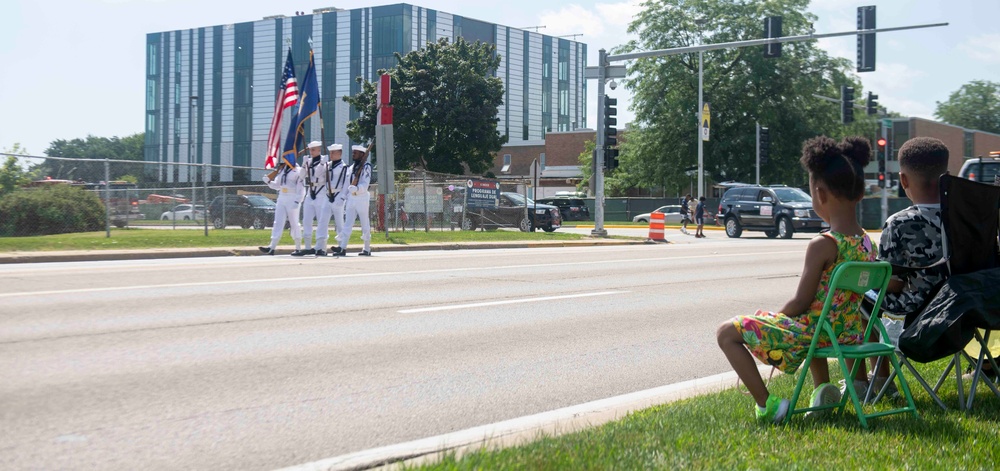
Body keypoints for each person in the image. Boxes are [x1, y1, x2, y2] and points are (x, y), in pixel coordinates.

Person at [716, 135, 876, 424]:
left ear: (820, 194)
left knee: (726, 333)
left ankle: (768, 406)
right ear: (862, 193)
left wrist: (774, 317)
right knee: (819, 314)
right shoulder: (867, 244)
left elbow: (801, 301)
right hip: (847, 332)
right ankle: (822, 390)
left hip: (815, 332)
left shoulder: (824, 244)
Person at [862, 137, 951, 394]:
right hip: (964, 314)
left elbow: (891, 282)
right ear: (947, 177)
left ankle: (879, 379)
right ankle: (987, 368)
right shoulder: (968, 217)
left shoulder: (899, 223)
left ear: (903, 180)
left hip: (918, 315)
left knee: (858, 297)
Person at [258, 159, 305, 256]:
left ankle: (298, 247)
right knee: (278, 222)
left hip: (293, 197)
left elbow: (301, 187)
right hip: (282, 197)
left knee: (294, 223)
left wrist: (298, 200)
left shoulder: (299, 170)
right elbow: (277, 185)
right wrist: (268, 182)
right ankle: (272, 247)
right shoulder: (283, 170)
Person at [335, 144, 373, 256]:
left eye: (355, 153)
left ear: (362, 154)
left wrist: (357, 188)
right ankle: (342, 247)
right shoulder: (351, 168)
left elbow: (365, 183)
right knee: (348, 223)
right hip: (351, 198)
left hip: (361, 198)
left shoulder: (366, 167)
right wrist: (342, 196)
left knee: (364, 223)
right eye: (353, 152)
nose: (353, 154)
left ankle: (367, 248)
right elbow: (347, 183)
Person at [293, 141, 329, 257]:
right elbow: (302, 176)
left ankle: (322, 247)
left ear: (319, 150)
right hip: (310, 190)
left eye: (314, 150)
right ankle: (308, 247)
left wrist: (322, 164)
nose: (311, 152)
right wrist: (304, 165)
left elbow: (319, 174)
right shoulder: (308, 161)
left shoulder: (325, 161)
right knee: (306, 220)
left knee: (321, 221)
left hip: (321, 191)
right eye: (310, 150)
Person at [326, 144, 350, 256]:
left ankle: (341, 246)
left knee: (340, 223)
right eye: (330, 152)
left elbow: (346, 184)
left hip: (338, 195)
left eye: (333, 152)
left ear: (339, 153)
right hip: (328, 195)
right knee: (323, 221)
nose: (331, 155)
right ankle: (320, 246)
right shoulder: (328, 165)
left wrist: (342, 197)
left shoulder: (344, 167)